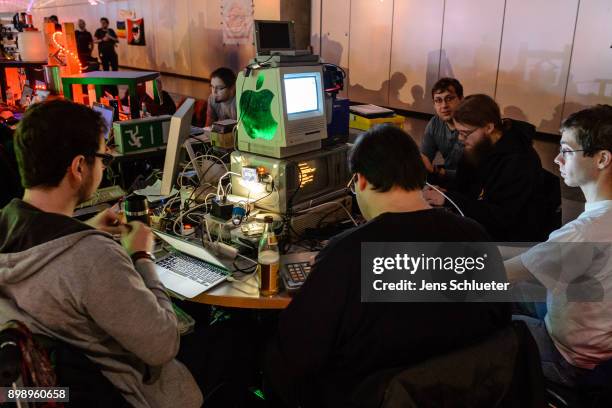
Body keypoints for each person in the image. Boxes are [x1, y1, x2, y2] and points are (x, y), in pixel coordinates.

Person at [264, 124, 511, 407]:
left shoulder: (347, 254)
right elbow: (499, 327)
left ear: (362, 181)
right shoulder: (475, 235)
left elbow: (295, 357)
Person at [0, 100, 202, 408]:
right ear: (79, 167)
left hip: (49, 391)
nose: (105, 166)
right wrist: (141, 257)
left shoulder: (6, 226)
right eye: (103, 157)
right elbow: (163, 345)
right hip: (129, 394)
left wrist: (83, 227)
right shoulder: (93, 258)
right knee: (230, 337)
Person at [505, 105, 612, 386]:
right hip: (597, 337)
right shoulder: (597, 222)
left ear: (601, 159)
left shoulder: (585, 231)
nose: (556, 159)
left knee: (477, 330)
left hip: (569, 358)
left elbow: (500, 276)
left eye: (566, 150)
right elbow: (537, 257)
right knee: (518, 291)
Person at [423, 94, 544, 241]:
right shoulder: (479, 147)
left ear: (489, 127)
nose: (460, 139)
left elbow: (502, 216)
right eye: (458, 133)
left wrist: (448, 199)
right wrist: (434, 176)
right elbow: (462, 187)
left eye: (465, 133)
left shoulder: (519, 160)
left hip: (511, 238)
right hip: (478, 223)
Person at [420, 77, 465, 182]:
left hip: (472, 183)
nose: (444, 106)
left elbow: (477, 175)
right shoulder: (435, 123)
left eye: (449, 99)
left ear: (462, 99)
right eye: (438, 100)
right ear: (434, 104)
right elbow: (424, 160)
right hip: (448, 175)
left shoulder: (472, 125)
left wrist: (437, 172)